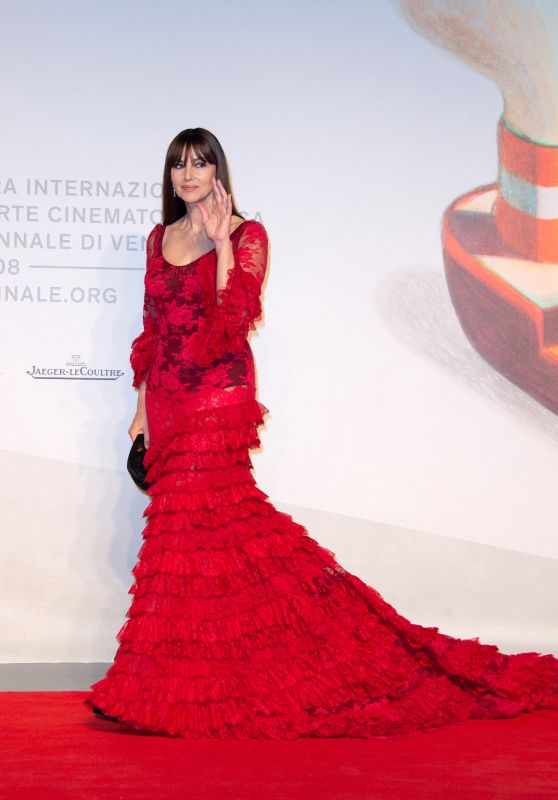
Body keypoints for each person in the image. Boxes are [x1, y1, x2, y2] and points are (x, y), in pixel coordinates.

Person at [83, 127, 558, 739]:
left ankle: (152, 691)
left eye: (200, 164)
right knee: (205, 545)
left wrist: (221, 246)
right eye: (179, 165)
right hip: (169, 407)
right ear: (169, 176)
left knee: (185, 537)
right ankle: (200, 678)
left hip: (218, 400)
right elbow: (153, 328)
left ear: (218, 172)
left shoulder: (247, 235)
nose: (189, 174)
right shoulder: (158, 237)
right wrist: (143, 412)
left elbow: (232, 320)